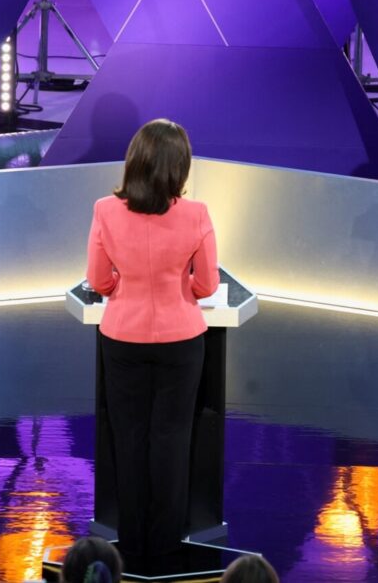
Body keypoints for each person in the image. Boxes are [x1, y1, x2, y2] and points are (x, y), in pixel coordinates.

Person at [86, 119, 220, 561]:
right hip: (182, 341)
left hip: (122, 337)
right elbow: (207, 286)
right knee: (172, 440)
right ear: (180, 166)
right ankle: (164, 549)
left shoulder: (106, 209)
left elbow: (98, 281)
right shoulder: (197, 214)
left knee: (129, 439)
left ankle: (132, 544)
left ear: (135, 161)